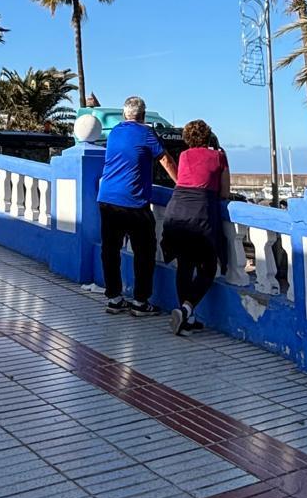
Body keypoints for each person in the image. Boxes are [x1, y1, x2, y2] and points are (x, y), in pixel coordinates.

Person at [97, 95, 177, 315]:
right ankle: (140, 302)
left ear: (124, 114)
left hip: (107, 199)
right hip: (133, 202)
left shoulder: (114, 132)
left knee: (110, 250)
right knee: (144, 251)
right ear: (143, 115)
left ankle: (114, 298)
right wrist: (182, 184)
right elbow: (166, 160)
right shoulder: (146, 133)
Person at [162, 119, 230, 336]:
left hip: (176, 210)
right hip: (200, 213)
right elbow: (225, 193)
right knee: (208, 268)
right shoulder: (218, 156)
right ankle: (186, 309)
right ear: (208, 136)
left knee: (184, 265)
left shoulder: (184, 156)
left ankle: (186, 320)